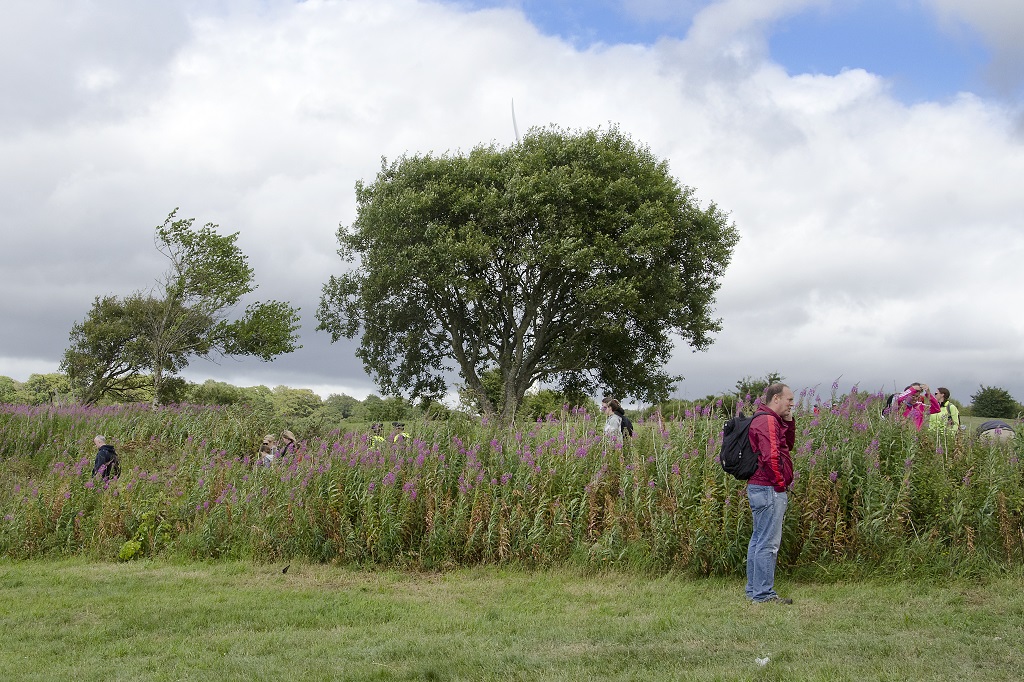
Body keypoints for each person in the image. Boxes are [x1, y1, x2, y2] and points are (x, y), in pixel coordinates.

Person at [745, 383, 796, 604]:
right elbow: (772, 456)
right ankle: (763, 595)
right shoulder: (766, 421)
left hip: (761, 487)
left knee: (758, 539)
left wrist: (789, 420)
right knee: (768, 543)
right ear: (776, 398)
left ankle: (754, 590)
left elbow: (788, 445)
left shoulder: (770, 419)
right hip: (768, 488)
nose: (791, 404)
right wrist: (780, 484)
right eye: (789, 400)